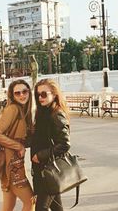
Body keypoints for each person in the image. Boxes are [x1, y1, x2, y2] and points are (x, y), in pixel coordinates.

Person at [0, 79, 35, 211]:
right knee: (30, 201)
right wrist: (18, 146)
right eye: (17, 93)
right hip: (12, 166)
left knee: (8, 206)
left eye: (25, 91)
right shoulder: (13, 109)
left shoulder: (22, 111)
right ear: (12, 95)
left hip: (9, 164)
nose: (22, 95)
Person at [31, 79, 70, 211]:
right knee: (57, 208)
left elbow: (65, 144)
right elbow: (38, 139)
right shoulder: (42, 113)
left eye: (44, 94)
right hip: (41, 170)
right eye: (37, 95)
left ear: (54, 94)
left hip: (48, 170)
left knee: (40, 208)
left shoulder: (56, 114)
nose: (40, 98)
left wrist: (40, 155)